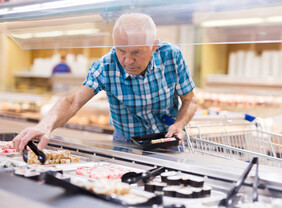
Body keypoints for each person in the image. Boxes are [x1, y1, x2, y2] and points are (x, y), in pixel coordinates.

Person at [13, 13, 198, 153]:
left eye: (136, 52)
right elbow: (72, 101)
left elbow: (190, 100)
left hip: (167, 139)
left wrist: (179, 124)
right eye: (121, 51)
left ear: (154, 46)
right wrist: (43, 126)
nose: (127, 60)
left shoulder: (171, 56)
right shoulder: (105, 66)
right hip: (125, 142)